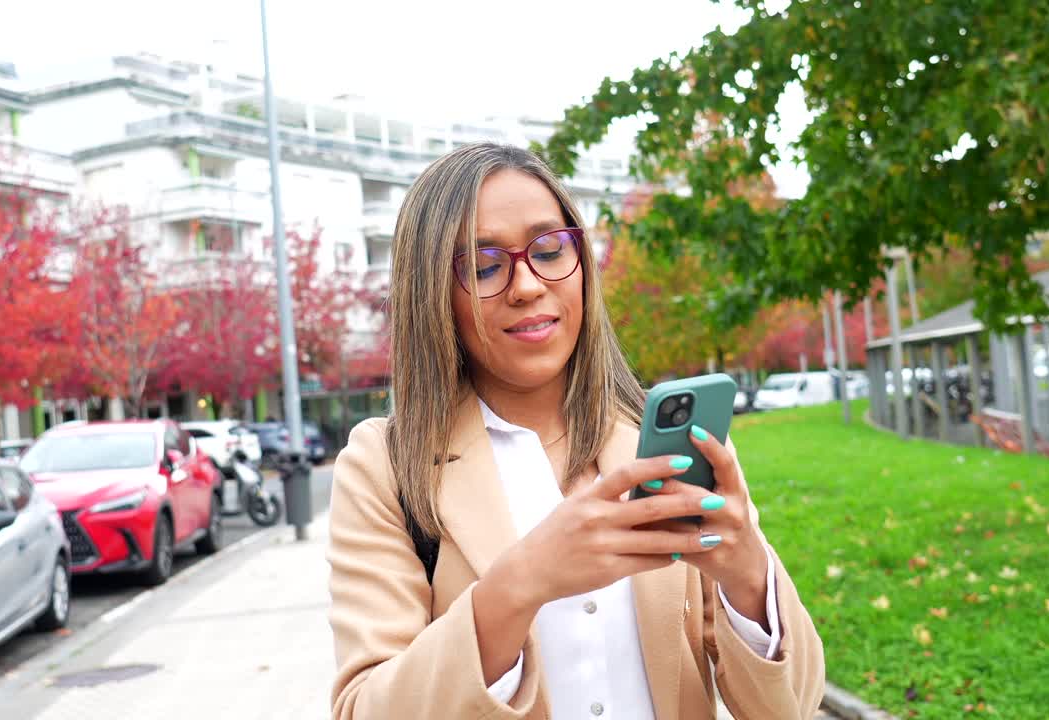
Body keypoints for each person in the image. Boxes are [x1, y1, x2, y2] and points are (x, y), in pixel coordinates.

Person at [328, 143, 824, 719]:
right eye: (485, 264)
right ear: (433, 292)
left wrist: (746, 573)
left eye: (549, 249)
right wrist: (521, 583)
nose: (528, 285)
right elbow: (364, 709)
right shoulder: (386, 466)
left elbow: (792, 705)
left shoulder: (661, 439)